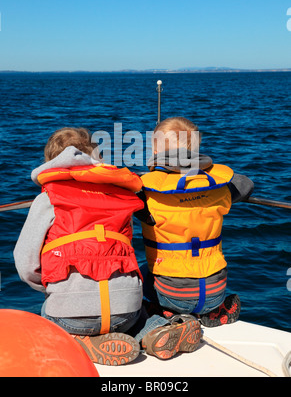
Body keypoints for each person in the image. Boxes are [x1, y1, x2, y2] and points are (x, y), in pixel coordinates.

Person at [14, 127, 148, 366]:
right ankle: (151, 331)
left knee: (48, 316)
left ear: (51, 162)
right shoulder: (121, 195)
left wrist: (52, 287)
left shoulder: (48, 198)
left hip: (72, 317)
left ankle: (81, 342)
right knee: (140, 310)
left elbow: (25, 264)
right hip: (126, 312)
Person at [139, 116, 254, 327]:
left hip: (171, 293)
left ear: (155, 152)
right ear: (196, 151)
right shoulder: (218, 188)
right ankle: (213, 311)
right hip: (214, 291)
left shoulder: (146, 192)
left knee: (140, 272)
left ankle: (164, 312)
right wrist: (205, 169)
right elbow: (245, 184)